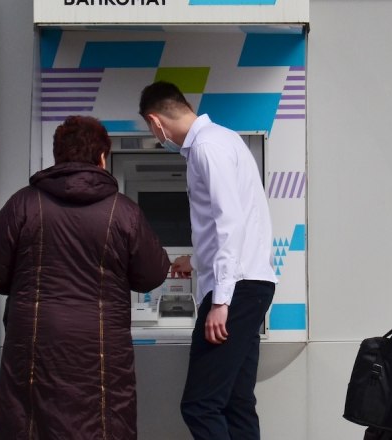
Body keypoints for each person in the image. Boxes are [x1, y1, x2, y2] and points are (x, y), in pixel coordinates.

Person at [0, 115, 170, 439]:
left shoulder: (24, 203)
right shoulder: (123, 211)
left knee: (30, 424)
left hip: (34, 342)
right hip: (102, 345)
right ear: (102, 157)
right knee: (103, 422)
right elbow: (152, 274)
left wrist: (25, 285)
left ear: (58, 157)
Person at [138, 81, 277, 440]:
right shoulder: (226, 139)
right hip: (252, 284)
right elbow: (232, 222)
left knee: (200, 405)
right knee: (236, 402)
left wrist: (221, 301)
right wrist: (196, 260)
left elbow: (229, 222)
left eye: (151, 131)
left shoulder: (205, 147)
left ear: (155, 122)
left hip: (235, 290)